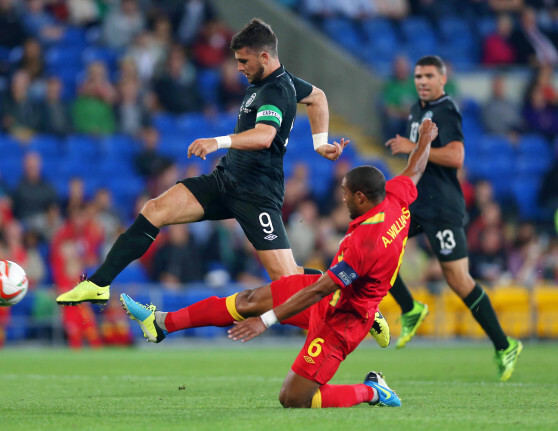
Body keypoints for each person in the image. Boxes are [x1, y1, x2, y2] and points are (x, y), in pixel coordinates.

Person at [54, 18, 392, 344]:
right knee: (155, 208)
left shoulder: (275, 89)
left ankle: (358, 302)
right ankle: (99, 283)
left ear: (264, 56)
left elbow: (263, 136)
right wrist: (320, 142)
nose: (239, 68)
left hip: (256, 193)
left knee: (288, 283)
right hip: (225, 179)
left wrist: (218, 141)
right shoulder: (273, 82)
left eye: (244, 61)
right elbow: (317, 97)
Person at [118, 119, 439, 409]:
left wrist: (266, 321)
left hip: (344, 318)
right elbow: (415, 169)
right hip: (331, 294)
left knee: (294, 398)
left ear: (360, 197)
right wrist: (424, 140)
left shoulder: (363, 244)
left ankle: (373, 391)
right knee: (248, 300)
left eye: (344, 194)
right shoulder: (394, 197)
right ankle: (161, 323)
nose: (340, 199)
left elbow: (321, 290)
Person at [384, 55, 522, 381]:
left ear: (442, 80)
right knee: (380, 248)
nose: (422, 80)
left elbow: (457, 156)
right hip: (418, 201)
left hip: (442, 206)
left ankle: (505, 345)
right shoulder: (416, 110)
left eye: (429, 75)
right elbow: (419, 160)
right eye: (418, 75)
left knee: (458, 280)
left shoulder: (446, 110)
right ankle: (410, 308)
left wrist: (414, 145)